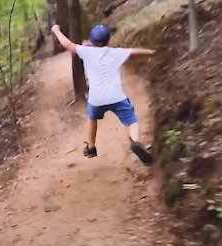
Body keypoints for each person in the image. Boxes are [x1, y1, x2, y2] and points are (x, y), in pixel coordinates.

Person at [50, 23, 155, 163]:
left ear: (91, 41)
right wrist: (152, 52)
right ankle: (135, 141)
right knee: (132, 120)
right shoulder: (116, 53)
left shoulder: (86, 52)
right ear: (108, 40)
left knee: (92, 117)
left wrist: (56, 30)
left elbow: (68, 44)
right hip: (116, 97)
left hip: (96, 99)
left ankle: (91, 147)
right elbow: (134, 51)